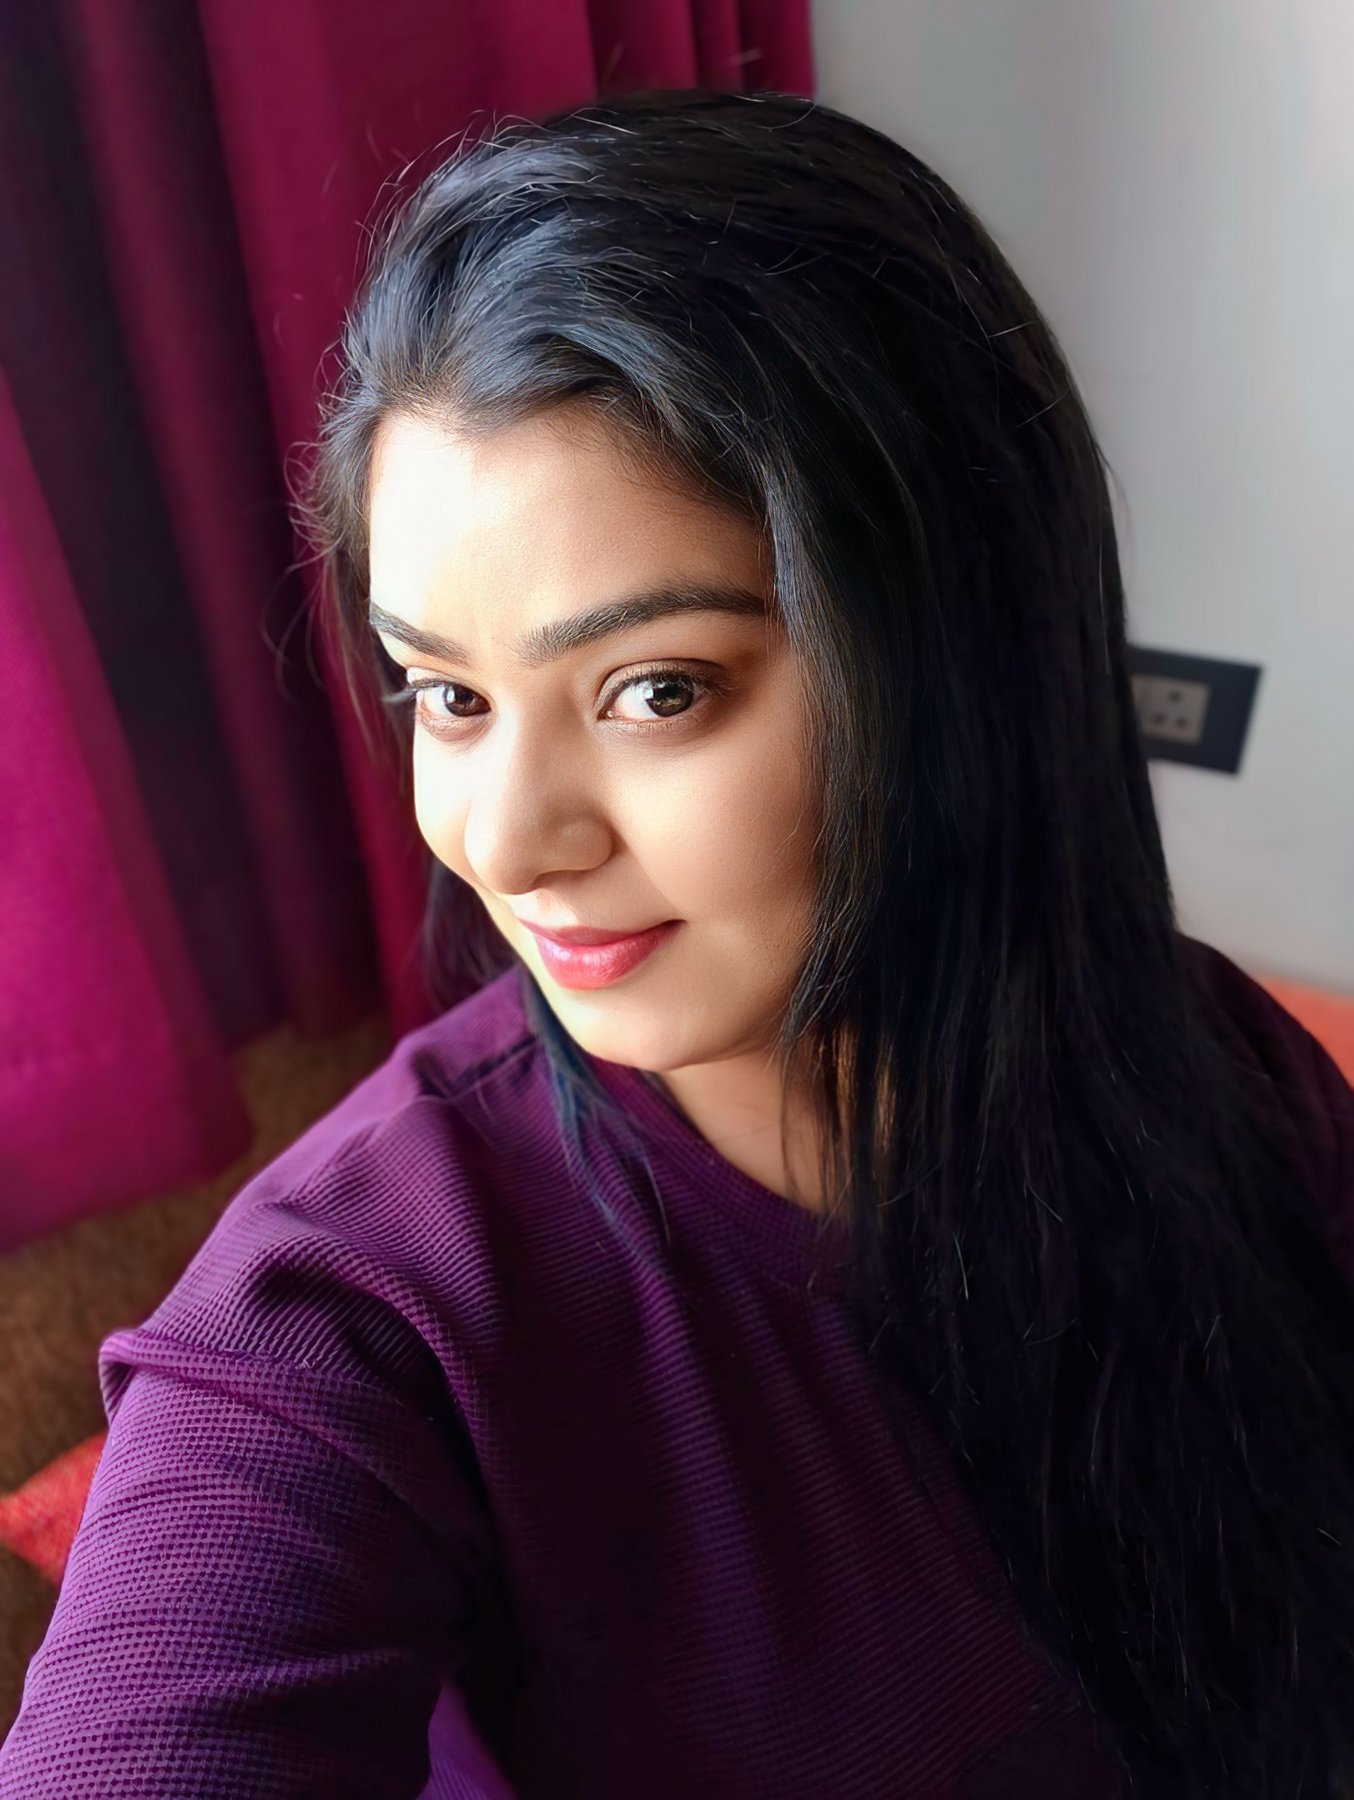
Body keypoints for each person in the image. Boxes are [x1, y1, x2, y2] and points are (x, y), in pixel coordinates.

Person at [2, 86, 1351, 1800]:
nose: (505, 840)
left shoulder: (1208, 1061)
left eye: (655, 690)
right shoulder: (355, 1315)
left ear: (958, 662)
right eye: (446, 696)